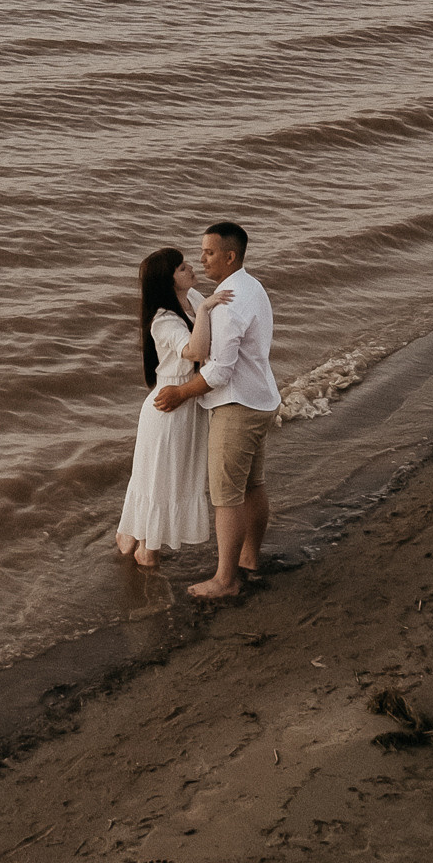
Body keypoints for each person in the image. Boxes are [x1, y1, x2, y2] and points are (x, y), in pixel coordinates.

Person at [154, 221, 278, 600]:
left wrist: (181, 393)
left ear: (229, 256)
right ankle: (250, 559)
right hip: (262, 399)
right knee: (252, 486)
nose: (202, 258)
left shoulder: (227, 303)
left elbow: (220, 372)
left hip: (236, 407)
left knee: (227, 497)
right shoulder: (251, 286)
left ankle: (225, 580)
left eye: (209, 252)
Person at [115, 245, 213, 569]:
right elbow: (195, 351)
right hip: (168, 409)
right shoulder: (164, 319)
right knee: (157, 479)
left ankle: (132, 538)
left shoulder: (194, 300)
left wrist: (208, 306)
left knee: (168, 478)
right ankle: (145, 550)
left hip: (189, 403)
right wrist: (210, 308)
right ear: (168, 280)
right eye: (182, 267)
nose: (190, 269)